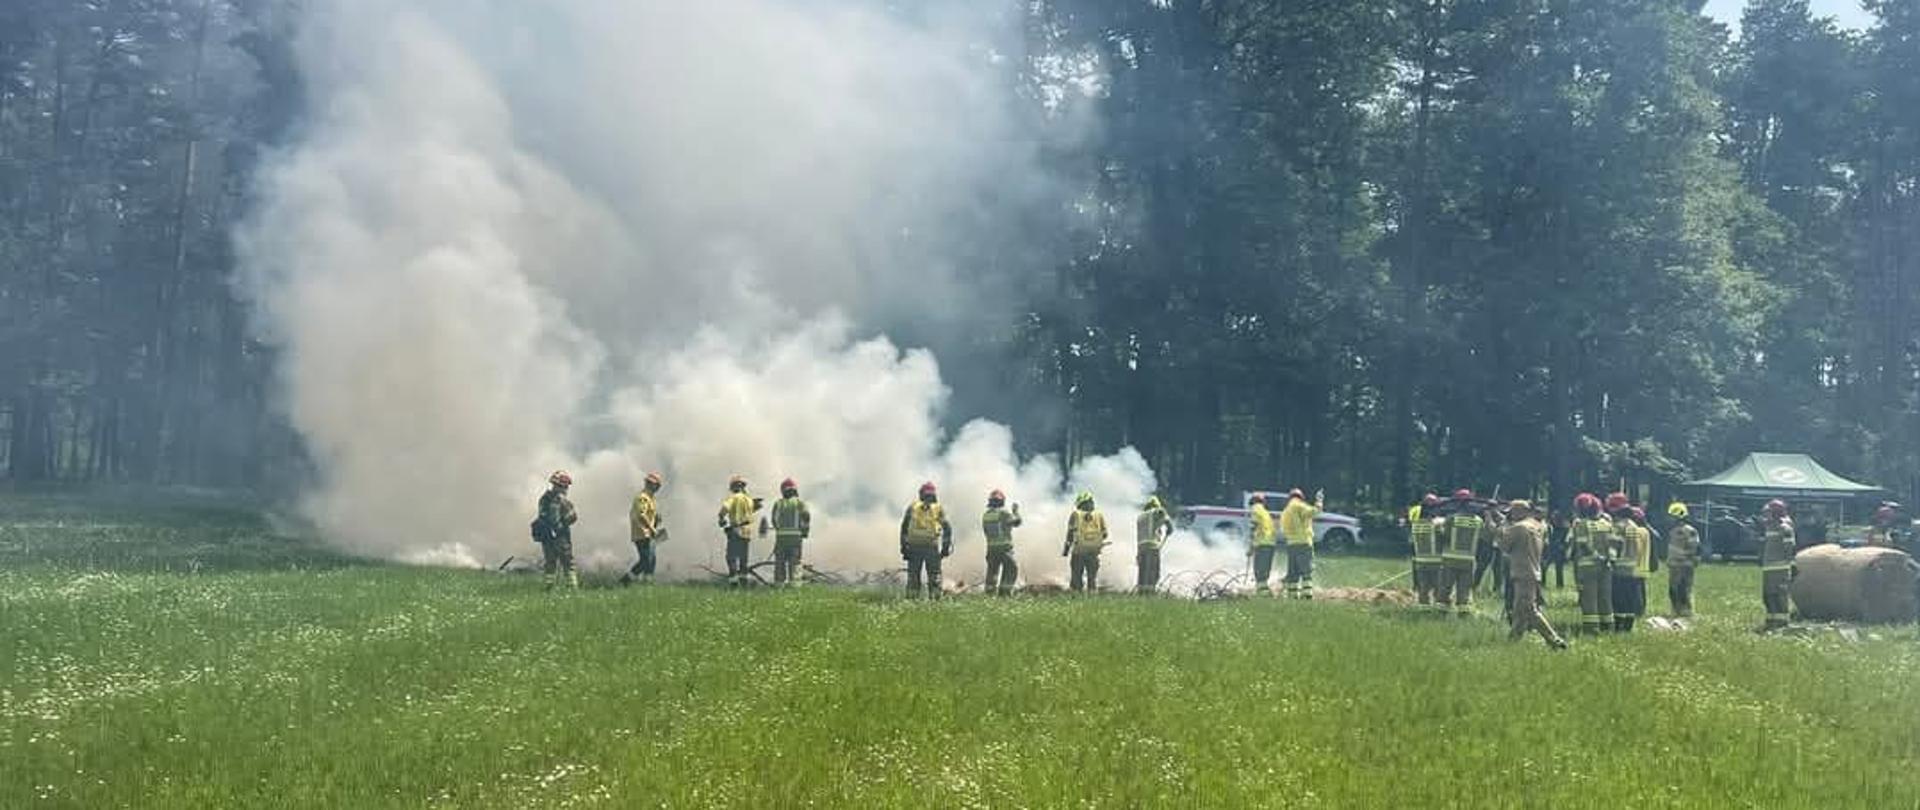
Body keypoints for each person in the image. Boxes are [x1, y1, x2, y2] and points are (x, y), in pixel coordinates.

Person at [1496, 500, 1568, 649]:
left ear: (1520, 511)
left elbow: (1504, 545)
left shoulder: (1519, 527)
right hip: (1533, 570)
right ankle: (1512, 642)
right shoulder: (1537, 525)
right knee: (1519, 611)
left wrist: (1495, 525)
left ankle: (1554, 640)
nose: (1510, 514)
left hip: (1522, 571)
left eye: (1512, 511)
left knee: (1529, 609)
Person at [1567, 492, 1615, 634]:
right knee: (1605, 597)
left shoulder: (1582, 524)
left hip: (1588, 567)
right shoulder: (1606, 524)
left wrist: (1596, 557)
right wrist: (1608, 559)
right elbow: (1613, 544)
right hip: (1606, 567)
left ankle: (1591, 629)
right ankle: (1608, 627)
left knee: (1589, 599)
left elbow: (1583, 545)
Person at [899, 482, 952, 599]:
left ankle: (911, 601)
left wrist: (903, 547)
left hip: (914, 547)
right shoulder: (938, 508)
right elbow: (947, 528)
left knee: (913, 577)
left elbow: (904, 528)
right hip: (931, 547)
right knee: (934, 577)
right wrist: (945, 548)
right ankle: (936, 602)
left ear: (921, 494)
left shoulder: (912, 507)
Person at [1440, 489, 1485, 617]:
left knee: (1445, 587)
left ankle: (1441, 612)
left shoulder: (1451, 519)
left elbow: (1445, 535)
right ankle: (1463, 613)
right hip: (1469, 560)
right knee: (1464, 589)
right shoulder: (1478, 520)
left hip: (1450, 559)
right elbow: (1481, 537)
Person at [1611, 501, 1652, 632]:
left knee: (1618, 600)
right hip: (1633, 568)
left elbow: (1614, 546)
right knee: (1630, 599)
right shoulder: (1635, 527)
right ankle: (1628, 626)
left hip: (1620, 568)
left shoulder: (1619, 527)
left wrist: (1610, 561)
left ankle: (1618, 626)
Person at [537, 471, 580, 591]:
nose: (566, 489)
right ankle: (572, 588)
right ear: (562, 486)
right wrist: (563, 524)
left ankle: (549, 588)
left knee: (550, 563)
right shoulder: (561, 500)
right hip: (561, 537)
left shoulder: (543, 499)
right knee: (568, 563)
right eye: (565, 486)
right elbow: (573, 517)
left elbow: (541, 516)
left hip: (546, 537)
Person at [621, 472, 665, 586]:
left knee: (651, 560)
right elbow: (641, 515)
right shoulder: (643, 497)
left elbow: (649, 514)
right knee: (645, 560)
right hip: (642, 533)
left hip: (648, 533)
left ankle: (647, 582)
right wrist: (652, 529)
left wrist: (656, 519)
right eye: (652, 484)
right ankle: (626, 580)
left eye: (656, 484)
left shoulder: (651, 498)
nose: (656, 487)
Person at [1759, 499, 1796, 631]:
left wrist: (1790, 565)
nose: (1765, 516)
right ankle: (1771, 620)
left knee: (1779, 595)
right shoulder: (1769, 527)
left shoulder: (1785, 529)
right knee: (1768, 595)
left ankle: (1782, 623)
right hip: (1768, 567)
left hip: (1780, 568)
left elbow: (1789, 548)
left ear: (1775, 514)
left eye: (1768, 513)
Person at [716, 476, 760, 587]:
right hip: (747, 533)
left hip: (735, 532)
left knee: (731, 558)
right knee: (743, 560)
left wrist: (722, 520)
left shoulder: (733, 498)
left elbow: (723, 511)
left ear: (733, 487)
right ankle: (744, 583)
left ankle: (734, 584)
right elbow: (751, 511)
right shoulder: (749, 499)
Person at [767, 478, 811, 587]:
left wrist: (779, 529)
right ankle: (795, 585)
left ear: (783, 491)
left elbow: (774, 520)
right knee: (795, 562)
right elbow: (806, 517)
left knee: (780, 563)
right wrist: (804, 531)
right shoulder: (800, 503)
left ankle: (779, 585)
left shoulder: (778, 503)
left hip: (781, 540)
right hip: (795, 539)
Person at [1279, 488, 1322, 600]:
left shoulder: (1286, 510)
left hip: (1291, 544)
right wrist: (1319, 501)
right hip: (1303, 542)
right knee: (1306, 570)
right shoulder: (1299, 506)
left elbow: (1283, 529)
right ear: (1300, 497)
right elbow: (1313, 512)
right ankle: (1307, 594)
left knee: (1293, 572)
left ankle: (1292, 594)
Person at [1064, 492, 1109, 593]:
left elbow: (1070, 533)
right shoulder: (1099, 515)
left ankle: (1076, 596)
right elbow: (1105, 534)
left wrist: (1066, 550)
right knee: (1092, 577)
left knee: (1076, 576)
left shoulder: (1075, 514)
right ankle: (1092, 597)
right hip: (1094, 551)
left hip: (1079, 550)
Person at [981, 490, 1022, 597]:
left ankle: (989, 595)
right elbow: (1017, 522)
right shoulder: (1004, 513)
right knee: (1011, 569)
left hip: (991, 549)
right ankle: (1005, 594)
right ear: (1002, 501)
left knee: (992, 572)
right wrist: (1016, 511)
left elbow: (985, 531)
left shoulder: (986, 515)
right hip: (1005, 549)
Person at [1665, 501, 1699, 617]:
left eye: (1671, 516)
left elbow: (1694, 548)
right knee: (1673, 590)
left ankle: (1686, 612)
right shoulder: (1672, 531)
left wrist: (1684, 556)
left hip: (1684, 565)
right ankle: (1675, 610)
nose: (1669, 518)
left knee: (1683, 589)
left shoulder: (1689, 531)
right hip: (1674, 565)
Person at [1408, 494, 1444, 607]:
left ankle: (1423, 608)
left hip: (1420, 560)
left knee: (1423, 588)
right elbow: (1444, 537)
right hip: (1435, 561)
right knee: (1438, 587)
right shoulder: (1437, 525)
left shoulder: (1416, 525)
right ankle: (1438, 608)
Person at [1135, 496, 1173, 594]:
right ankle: (1150, 594)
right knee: (1152, 573)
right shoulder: (1155, 512)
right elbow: (1162, 513)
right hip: (1152, 547)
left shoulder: (1140, 517)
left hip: (1141, 548)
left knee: (1142, 573)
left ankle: (1142, 593)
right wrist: (1169, 527)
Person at [1248, 493, 1278, 596]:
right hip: (1271, 543)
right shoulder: (1265, 512)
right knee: (1265, 569)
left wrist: (1250, 547)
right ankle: (1264, 590)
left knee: (1259, 569)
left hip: (1262, 543)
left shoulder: (1255, 509)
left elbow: (1253, 527)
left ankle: (1262, 592)